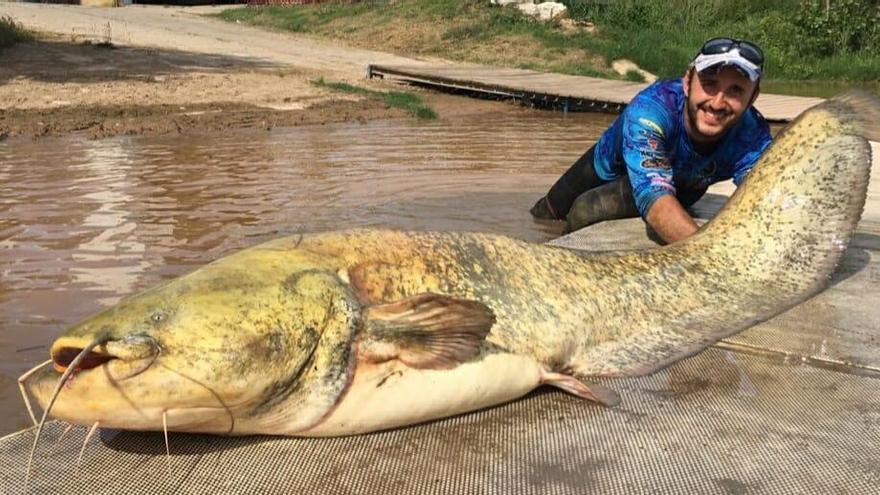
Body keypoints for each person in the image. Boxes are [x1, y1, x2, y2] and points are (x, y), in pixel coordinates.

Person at [530, 37, 772, 244]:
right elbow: (654, 198)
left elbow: (766, 201)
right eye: (709, 84)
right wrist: (709, 255)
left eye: (735, 91)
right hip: (610, 168)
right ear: (688, 82)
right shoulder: (652, 109)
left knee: (587, 209)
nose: (718, 103)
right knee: (545, 215)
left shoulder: (753, 136)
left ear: (753, 97)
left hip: (684, 187)